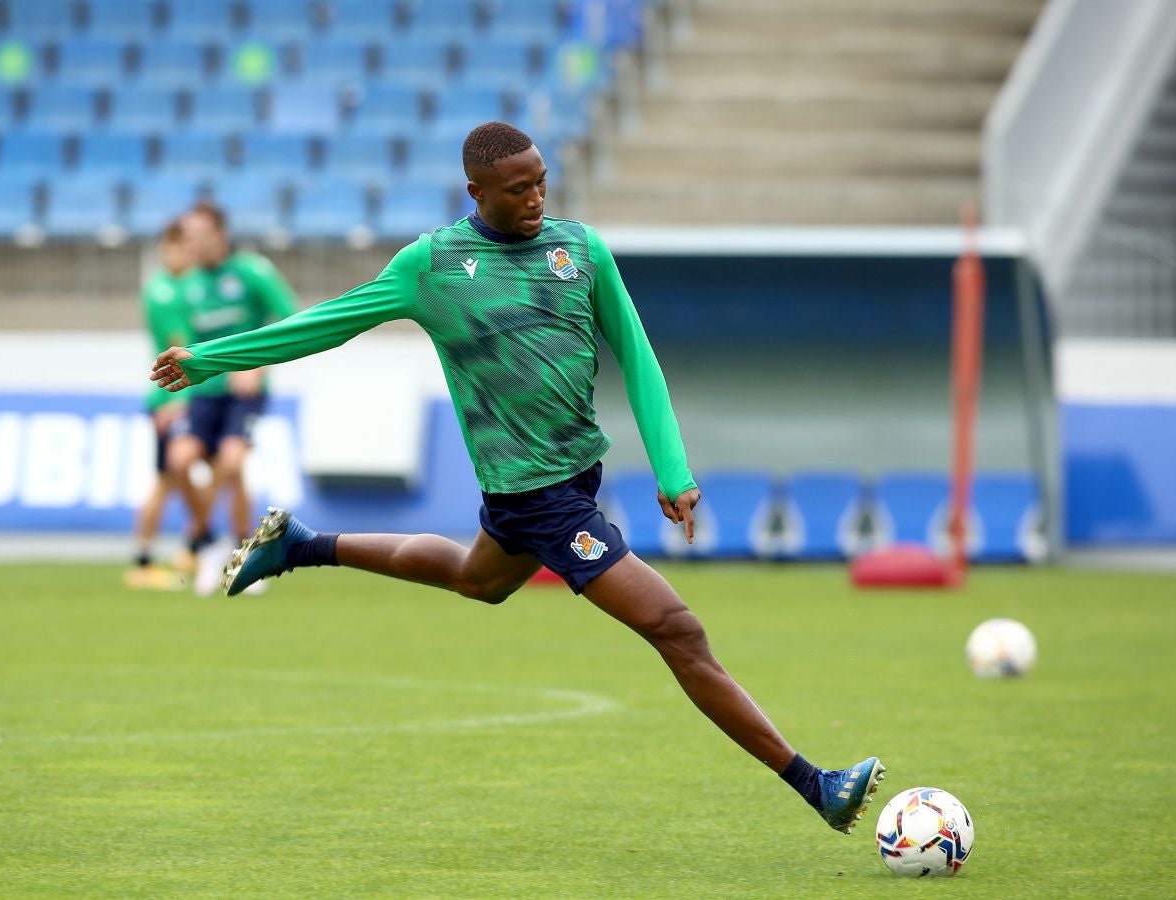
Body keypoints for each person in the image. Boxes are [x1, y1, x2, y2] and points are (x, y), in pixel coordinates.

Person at [151, 122, 884, 832]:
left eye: (541, 182)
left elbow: (635, 352)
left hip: (573, 478)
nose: (536, 198)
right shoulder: (432, 265)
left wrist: (671, 466)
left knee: (480, 579)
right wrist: (207, 360)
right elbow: (328, 322)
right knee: (676, 630)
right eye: (518, 189)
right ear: (476, 191)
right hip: (538, 497)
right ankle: (815, 785)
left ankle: (302, 546)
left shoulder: (580, 248)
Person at [165, 201, 300, 594]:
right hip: (204, 392)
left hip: (244, 391)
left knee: (232, 460)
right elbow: (180, 341)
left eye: (197, 235)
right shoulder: (185, 286)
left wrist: (257, 365)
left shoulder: (252, 271)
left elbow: (290, 316)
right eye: (185, 236)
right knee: (179, 460)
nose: (189, 243)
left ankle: (232, 549)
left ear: (219, 235)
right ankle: (211, 542)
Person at [125, 220, 206, 590]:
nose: (189, 255)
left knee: (176, 477)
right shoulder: (164, 292)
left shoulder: (179, 286)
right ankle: (147, 558)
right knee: (167, 479)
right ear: (167, 248)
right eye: (182, 247)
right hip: (172, 396)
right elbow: (177, 345)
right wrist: (178, 400)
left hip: (180, 394)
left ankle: (190, 546)